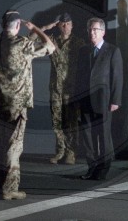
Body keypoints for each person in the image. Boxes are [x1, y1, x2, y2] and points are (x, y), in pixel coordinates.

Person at [0, 10, 55, 200]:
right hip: (16, 104)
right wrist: (36, 28)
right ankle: (9, 188)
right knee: (13, 146)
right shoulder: (22, 44)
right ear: (18, 26)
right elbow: (50, 47)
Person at [75, 17, 123, 180]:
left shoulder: (112, 51)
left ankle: (103, 169)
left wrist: (115, 100)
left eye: (95, 30)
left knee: (103, 135)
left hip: (104, 100)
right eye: (90, 30)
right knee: (87, 136)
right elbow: (78, 77)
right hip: (86, 100)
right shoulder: (83, 51)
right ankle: (91, 167)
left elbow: (117, 77)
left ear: (103, 32)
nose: (92, 33)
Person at [37, 13, 85, 165]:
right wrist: (45, 27)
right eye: (62, 24)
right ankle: (60, 150)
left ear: (72, 25)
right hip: (56, 88)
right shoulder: (52, 41)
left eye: (68, 24)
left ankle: (71, 152)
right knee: (56, 121)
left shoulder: (79, 43)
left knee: (71, 122)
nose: (65, 27)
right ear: (58, 25)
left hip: (71, 89)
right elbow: (33, 38)